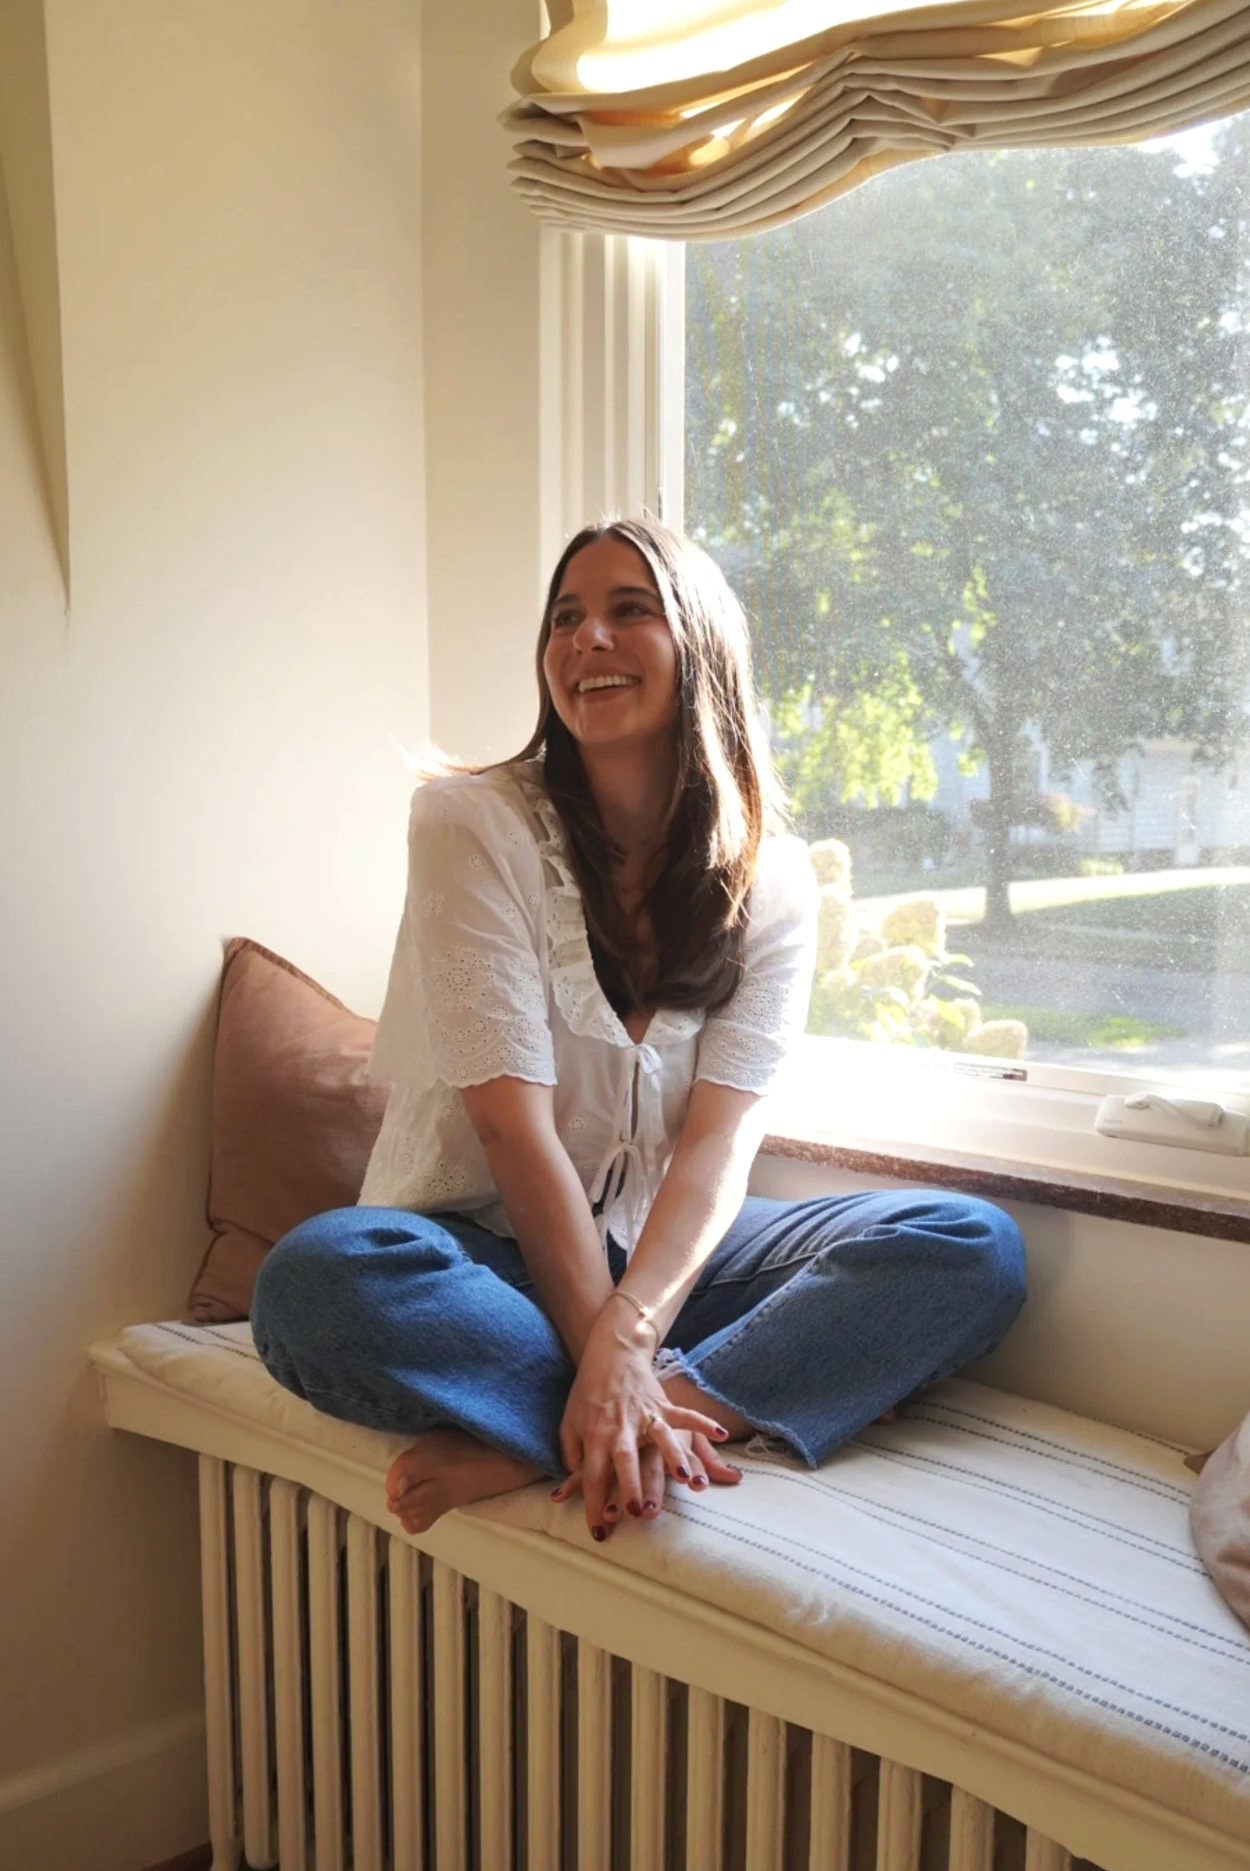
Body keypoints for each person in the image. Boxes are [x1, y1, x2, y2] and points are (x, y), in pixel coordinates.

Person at [251, 519, 1025, 1547]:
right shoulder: (468, 824)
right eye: (564, 618)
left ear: (697, 647)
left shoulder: (772, 880)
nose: (587, 640)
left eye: (628, 610)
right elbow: (511, 1133)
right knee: (315, 1280)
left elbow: (715, 1146)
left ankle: (562, 1427)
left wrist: (630, 1333)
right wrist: (607, 1346)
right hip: (482, 1259)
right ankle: (628, 1409)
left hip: (664, 1266)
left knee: (970, 1244)